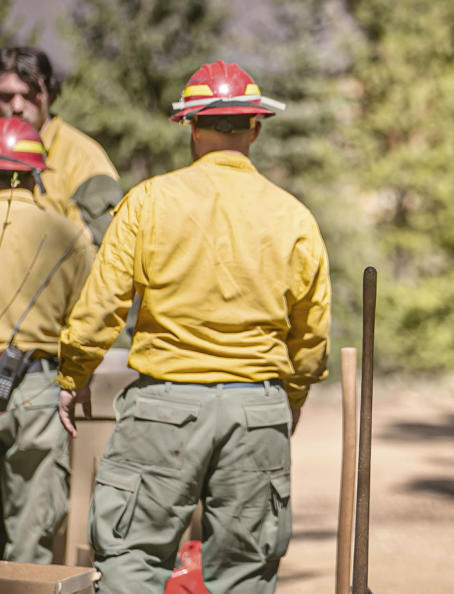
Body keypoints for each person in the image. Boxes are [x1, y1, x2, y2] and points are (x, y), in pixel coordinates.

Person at [56, 60, 331, 593]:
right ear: (256, 127)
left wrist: (74, 375)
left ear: (190, 126)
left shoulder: (149, 203)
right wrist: (289, 398)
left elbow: (101, 307)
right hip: (257, 410)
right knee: (246, 573)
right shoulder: (293, 216)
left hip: (164, 411)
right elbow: (311, 332)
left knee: (132, 560)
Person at [0, 116, 94, 562]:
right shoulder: (71, 236)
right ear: (37, 174)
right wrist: (77, 379)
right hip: (36, 392)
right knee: (29, 538)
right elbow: (89, 321)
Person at [0, 46, 122, 244]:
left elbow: (94, 248)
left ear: (50, 94)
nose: (17, 107)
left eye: (29, 95)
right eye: (6, 96)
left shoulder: (84, 158)